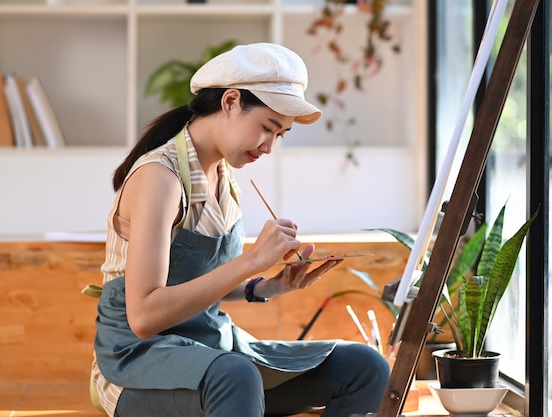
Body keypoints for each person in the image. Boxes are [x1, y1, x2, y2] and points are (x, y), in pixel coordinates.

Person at [87, 42, 390, 417]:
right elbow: (145, 316)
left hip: (211, 354)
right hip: (136, 365)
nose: (269, 147)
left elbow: (198, 278)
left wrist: (266, 285)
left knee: (365, 366)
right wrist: (251, 262)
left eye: (280, 135)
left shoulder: (226, 178)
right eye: (267, 127)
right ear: (230, 102)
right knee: (237, 376)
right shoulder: (159, 178)